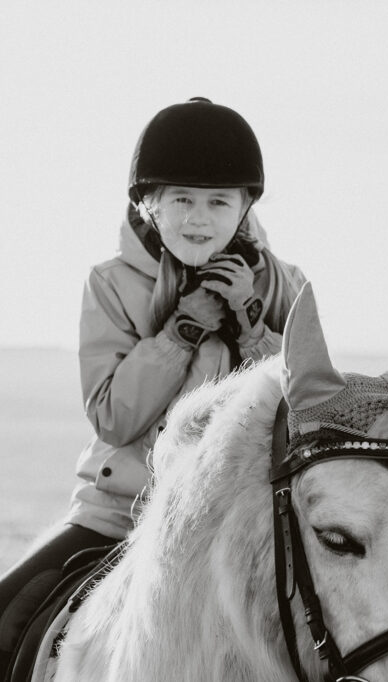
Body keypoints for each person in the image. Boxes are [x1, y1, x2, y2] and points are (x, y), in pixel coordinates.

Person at [0, 97, 306, 672]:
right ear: (148, 204)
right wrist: (180, 332)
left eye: (218, 201)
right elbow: (113, 418)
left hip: (242, 518)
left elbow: (303, 401)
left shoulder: (288, 285)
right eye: (181, 200)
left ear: (245, 207)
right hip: (116, 515)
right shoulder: (110, 284)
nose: (198, 218)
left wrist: (252, 324)